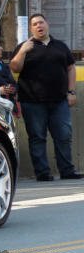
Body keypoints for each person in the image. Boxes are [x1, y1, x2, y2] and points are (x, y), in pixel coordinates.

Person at [10, 13, 82, 181]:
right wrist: (22, 51)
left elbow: (71, 68)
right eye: (34, 24)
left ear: (47, 24)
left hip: (59, 101)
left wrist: (71, 92)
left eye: (41, 22)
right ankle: (42, 173)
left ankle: (67, 171)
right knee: (37, 138)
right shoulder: (24, 46)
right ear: (30, 29)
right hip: (32, 102)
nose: (38, 26)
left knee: (64, 136)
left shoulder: (60, 46)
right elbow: (14, 68)